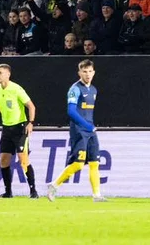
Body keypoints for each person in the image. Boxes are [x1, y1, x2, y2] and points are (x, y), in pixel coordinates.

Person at [47, 58, 104, 202]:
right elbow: (71, 111)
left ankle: (96, 195)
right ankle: (54, 185)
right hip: (79, 130)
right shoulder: (75, 89)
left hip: (90, 130)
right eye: (84, 71)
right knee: (78, 164)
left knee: (94, 163)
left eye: (90, 71)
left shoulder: (94, 89)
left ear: (94, 72)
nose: (88, 74)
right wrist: (87, 125)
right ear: (79, 73)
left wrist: (91, 127)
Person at [0, 62, 38, 199]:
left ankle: (33, 191)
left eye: (0, 73)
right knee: (3, 160)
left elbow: (31, 106)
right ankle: (8, 192)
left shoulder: (16, 89)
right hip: (6, 128)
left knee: (23, 159)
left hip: (19, 128)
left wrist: (30, 123)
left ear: (8, 74)